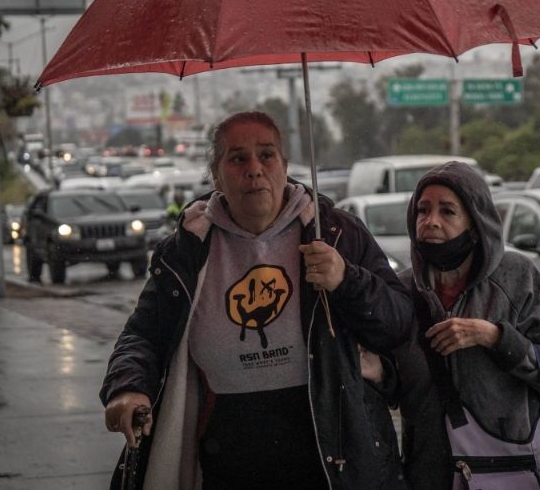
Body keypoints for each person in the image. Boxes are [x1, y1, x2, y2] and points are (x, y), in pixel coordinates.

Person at [100, 111, 413, 490]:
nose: (254, 169)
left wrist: (346, 279)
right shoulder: (187, 250)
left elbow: (398, 322)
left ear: (285, 165)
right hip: (226, 451)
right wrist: (128, 387)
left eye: (266, 155)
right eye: (237, 158)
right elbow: (144, 335)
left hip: (333, 450)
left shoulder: (336, 234)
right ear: (216, 175)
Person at [394, 161, 540, 490]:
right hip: (430, 475)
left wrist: (493, 337)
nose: (430, 221)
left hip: (510, 467)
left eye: (447, 211)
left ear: (475, 225)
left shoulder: (517, 276)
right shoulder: (402, 290)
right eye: (423, 210)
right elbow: (394, 389)